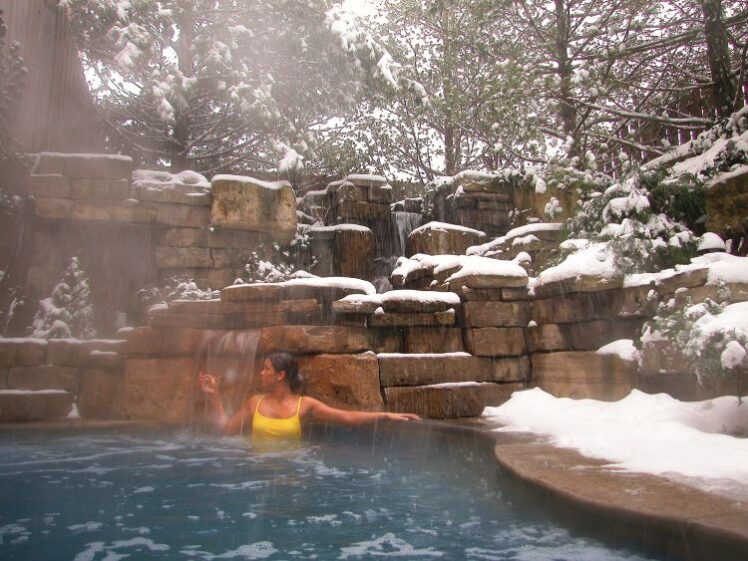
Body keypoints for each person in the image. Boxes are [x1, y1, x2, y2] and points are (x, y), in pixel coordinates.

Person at [198, 351, 420, 442]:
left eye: (266, 369)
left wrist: (387, 417)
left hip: (292, 474)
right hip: (257, 475)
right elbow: (227, 430)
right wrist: (214, 397)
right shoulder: (255, 402)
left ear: (280, 375)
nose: (261, 373)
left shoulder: (304, 405)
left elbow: (347, 418)